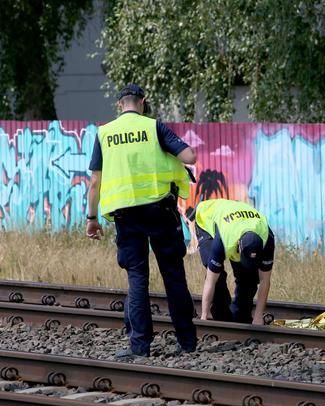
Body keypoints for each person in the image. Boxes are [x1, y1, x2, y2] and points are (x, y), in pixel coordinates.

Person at [85, 83, 198, 358]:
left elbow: (95, 181)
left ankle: (140, 347)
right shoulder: (154, 127)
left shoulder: (104, 133)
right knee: (173, 275)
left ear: (119, 105)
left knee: (137, 279)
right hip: (160, 210)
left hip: (127, 216)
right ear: (143, 102)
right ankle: (188, 343)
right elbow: (189, 156)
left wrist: (91, 218)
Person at [191, 198, 275, 324]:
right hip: (206, 219)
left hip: (238, 219)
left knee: (249, 278)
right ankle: (222, 316)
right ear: (238, 246)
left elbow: (265, 280)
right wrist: (204, 317)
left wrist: (258, 316)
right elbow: (210, 279)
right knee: (217, 274)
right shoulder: (224, 240)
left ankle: (240, 318)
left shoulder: (267, 238)